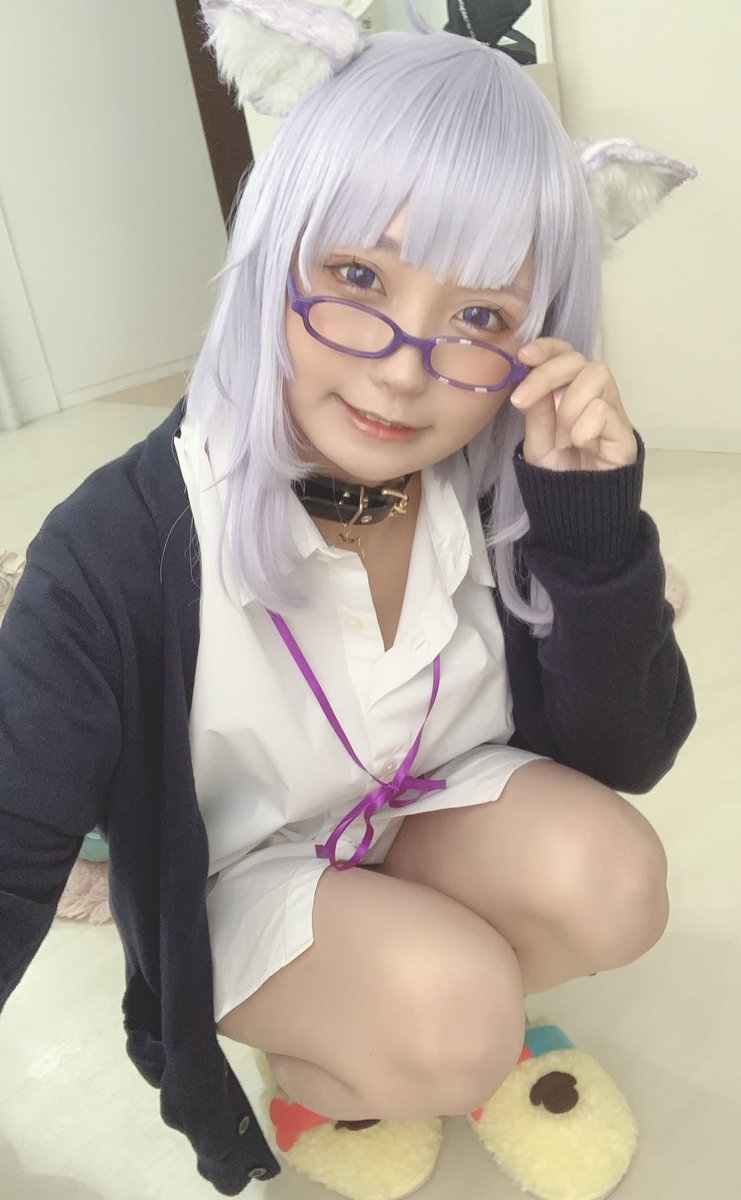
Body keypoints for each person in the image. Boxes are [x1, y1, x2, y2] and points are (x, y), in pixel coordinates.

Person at [0, 9, 697, 1200]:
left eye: (480, 318)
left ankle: (427, 1000)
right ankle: (343, 1050)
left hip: (419, 809)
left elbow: (627, 753)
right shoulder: (116, 550)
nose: (403, 368)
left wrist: (589, 527)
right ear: (277, 250)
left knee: (617, 881)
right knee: (455, 1013)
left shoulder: (493, 485)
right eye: (360, 277)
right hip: (245, 880)